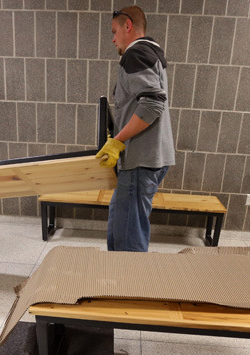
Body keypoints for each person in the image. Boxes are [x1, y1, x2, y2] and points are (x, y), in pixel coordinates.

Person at [95, 6, 175, 252]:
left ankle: (127, 286)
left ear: (127, 26)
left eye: (114, 31)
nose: (113, 39)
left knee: (128, 235)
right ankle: (118, 280)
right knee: (120, 225)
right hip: (146, 159)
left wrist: (117, 141)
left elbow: (152, 105)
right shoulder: (150, 53)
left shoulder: (136, 54)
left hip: (141, 160)